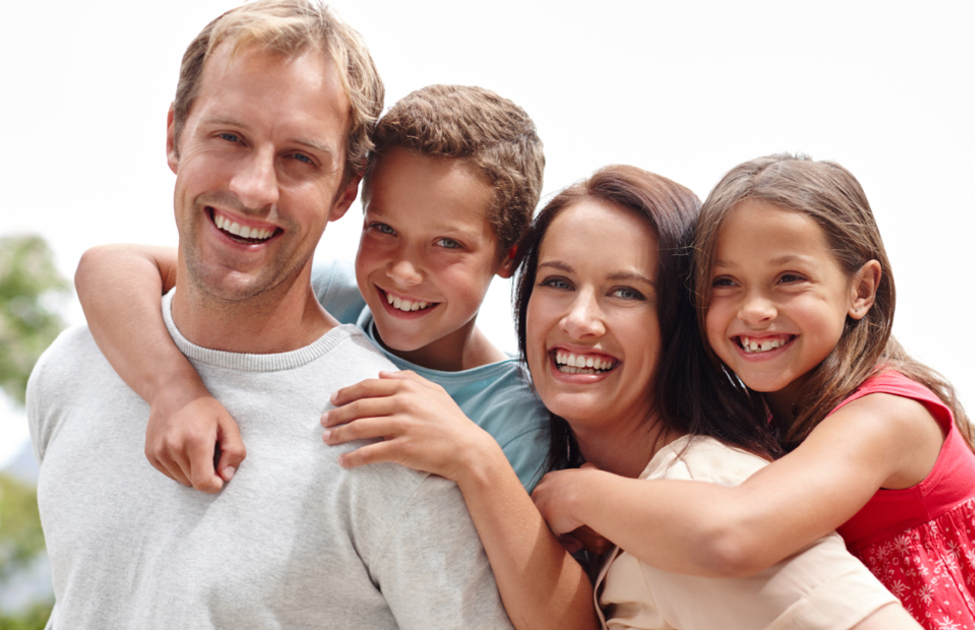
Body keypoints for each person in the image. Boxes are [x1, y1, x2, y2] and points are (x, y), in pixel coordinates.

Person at [27, 2, 513, 627]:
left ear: (345, 190)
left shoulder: (388, 433)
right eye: (230, 137)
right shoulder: (71, 369)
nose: (255, 188)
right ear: (174, 135)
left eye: (299, 159)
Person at [74, 84, 593, 629]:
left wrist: (474, 456)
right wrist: (174, 391)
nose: (404, 271)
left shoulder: (515, 424)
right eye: (384, 229)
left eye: (448, 245)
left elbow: (559, 620)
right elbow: (112, 265)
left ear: (509, 255)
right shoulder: (327, 297)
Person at [530, 155, 975, 629]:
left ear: (861, 290)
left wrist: (577, 494)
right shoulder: (770, 420)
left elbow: (735, 533)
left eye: (788, 278)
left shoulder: (885, 417)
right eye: (726, 282)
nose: (755, 309)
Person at [513, 165, 918, 629]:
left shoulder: (701, 489)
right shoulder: (630, 503)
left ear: (682, 322)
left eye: (626, 292)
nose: (580, 319)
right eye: (557, 282)